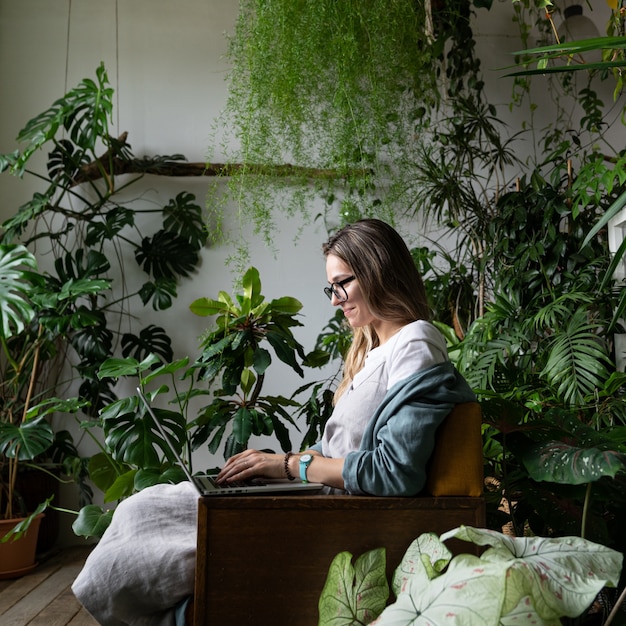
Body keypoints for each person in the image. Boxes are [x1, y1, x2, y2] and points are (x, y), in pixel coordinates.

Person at [72, 218, 475, 625]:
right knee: (142, 510)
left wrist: (286, 465)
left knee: (145, 514)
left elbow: (394, 472)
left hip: (337, 514)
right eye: (330, 288)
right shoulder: (374, 350)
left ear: (377, 270)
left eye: (342, 284)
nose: (335, 299)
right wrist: (276, 464)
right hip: (315, 495)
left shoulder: (416, 342)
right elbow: (341, 448)